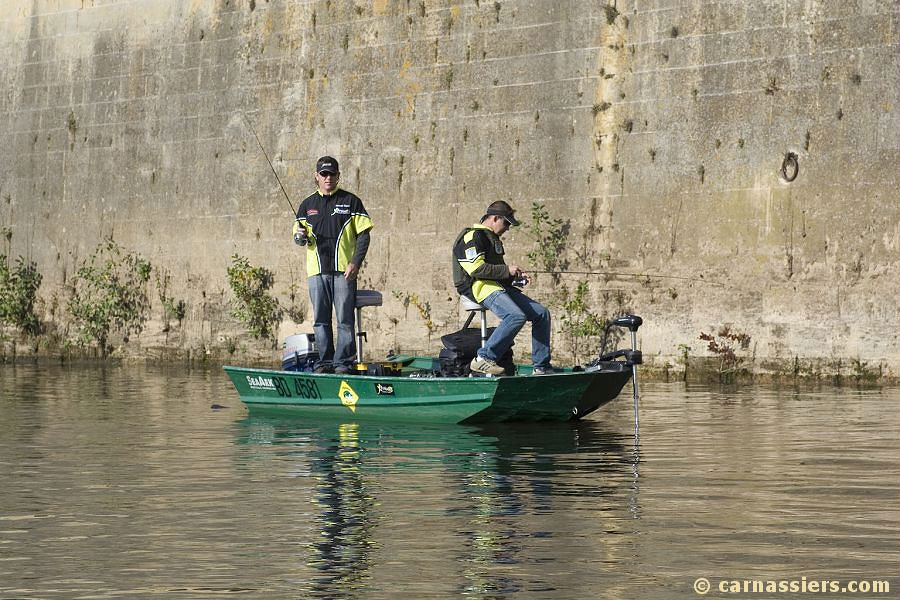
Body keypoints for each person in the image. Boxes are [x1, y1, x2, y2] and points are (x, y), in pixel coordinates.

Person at [452, 201, 556, 376]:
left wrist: (514, 278)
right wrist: (507, 269)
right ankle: (483, 359)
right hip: (479, 287)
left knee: (541, 314)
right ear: (494, 218)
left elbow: (496, 272)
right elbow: (477, 269)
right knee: (515, 316)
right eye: (506, 223)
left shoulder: (491, 238)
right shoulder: (472, 237)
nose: (508, 227)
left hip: (496, 286)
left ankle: (541, 367)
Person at [293, 156, 373, 374]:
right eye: (324, 174)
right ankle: (324, 362)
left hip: (343, 272)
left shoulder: (351, 201)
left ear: (338, 176)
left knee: (345, 320)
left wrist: (355, 263)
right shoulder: (306, 205)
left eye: (332, 174)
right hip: (316, 272)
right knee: (320, 321)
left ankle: (343, 363)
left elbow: (364, 236)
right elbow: (298, 239)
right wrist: (299, 236)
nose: (328, 178)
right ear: (316, 176)